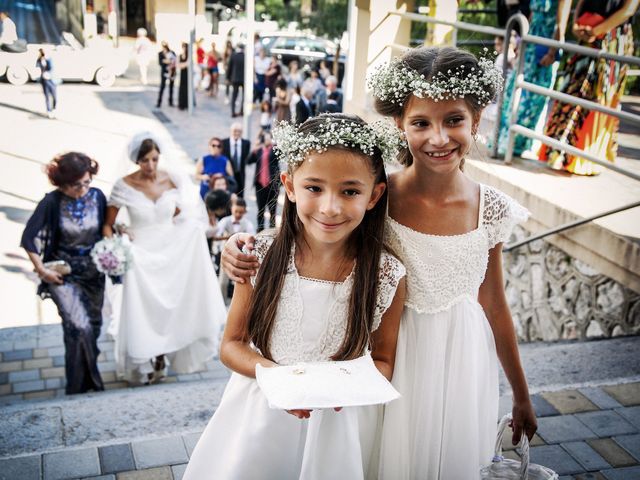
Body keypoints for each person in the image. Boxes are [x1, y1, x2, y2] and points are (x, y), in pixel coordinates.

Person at [222, 47, 538, 479]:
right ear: (399, 124)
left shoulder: (491, 208)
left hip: (461, 358)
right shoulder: (373, 194)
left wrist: (521, 394)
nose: (439, 138)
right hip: (387, 357)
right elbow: (311, 228)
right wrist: (239, 248)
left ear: (476, 121)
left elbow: (495, 302)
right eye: (421, 123)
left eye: (454, 121)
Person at [182, 113, 406, 480]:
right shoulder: (260, 254)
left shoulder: (386, 274)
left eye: (350, 191)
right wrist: (284, 382)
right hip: (259, 412)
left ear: (374, 195)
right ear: (289, 185)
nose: (330, 207)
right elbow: (231, 345)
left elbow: (383, 360)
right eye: (314, 188)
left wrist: (337, 389)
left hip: (334, 426)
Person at [103, 132, 225, 384]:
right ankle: (149, 357)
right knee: (147, 311)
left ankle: (163, 355)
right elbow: (108, 225)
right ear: (136, 160)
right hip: (141, 256)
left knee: (173, 308)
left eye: (155, 159)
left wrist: (191, 228)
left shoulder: (171, 179)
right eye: (145, 160)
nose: (151, 166)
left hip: (171, 252)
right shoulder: (123, 185)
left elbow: (180, 213)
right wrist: (117, 243)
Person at [21, 152, 106, 394]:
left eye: (87, 182)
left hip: (93, 273)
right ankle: (83, 386)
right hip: (63, 274)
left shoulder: (98, 197)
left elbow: (105, 229)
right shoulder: (52, 202)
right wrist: (42, 271)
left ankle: (83, 381)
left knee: (93, 328)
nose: (82, 189)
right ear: (62, 183)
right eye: (75, 185)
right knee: (79, 327)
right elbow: (28, 239)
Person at [538, 0, 639, 175]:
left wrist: (596, 31)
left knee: (601, 97)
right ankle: (559, 154)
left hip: (613, 40)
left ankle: (585, 159)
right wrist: (577, 25)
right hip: (587, 37)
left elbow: (628, 9)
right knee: (573, 90)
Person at [495, 0, 572, 157]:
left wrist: (553, 50)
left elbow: (561, 23)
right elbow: (530, 17)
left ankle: (520, 144)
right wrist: (520, 42)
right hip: (529, 43)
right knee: (513, 91)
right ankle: (504, 140)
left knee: (533, 98)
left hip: (545, 45)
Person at [215, 198, 255, 301]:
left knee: (241, 282)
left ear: (245, 211)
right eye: (236, 211)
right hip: (227, 254)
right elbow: (216, 236)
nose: (238, 214)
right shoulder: (225, 221)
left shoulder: (248, 224)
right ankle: (221, 303)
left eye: (241, 212)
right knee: (223, 282)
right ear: (231, 209)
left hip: (242, 257)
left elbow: (252, 239)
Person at [246, 132, 280, 231]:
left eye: (269, 138)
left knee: (273, 209)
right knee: (260, 209)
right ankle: (260, 230)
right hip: (260, 184)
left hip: (272, 184)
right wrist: (254, 149)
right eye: (265, 138)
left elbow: (281, 155)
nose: (267, 140)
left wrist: (277, 144)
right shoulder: (259, 151)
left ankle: (272, 230)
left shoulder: (275, 150)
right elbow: (248, 161)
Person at [222, 123, 251, 197]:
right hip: (227, 175)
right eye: (235, 131)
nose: (237, 133)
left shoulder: (246, 143)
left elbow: (246, 158)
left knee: (240, 196)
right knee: (227, 196)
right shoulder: (224, 142)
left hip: (240, 175)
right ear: (231, 131)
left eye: (239, 131)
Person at [36, 48, 57, 119]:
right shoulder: (39, 60)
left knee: (54, 96)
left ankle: (54, 108)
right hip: (44, 81)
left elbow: (51, 68)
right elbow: (37, 68)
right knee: (47, 97)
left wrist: (46, 60)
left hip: (51, 80)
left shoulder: (48, 59)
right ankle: (49, 111)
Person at [227, 43, 245, 117]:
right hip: (244, 79)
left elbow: (229, 67)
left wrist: (228, 77)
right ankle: (241, 111)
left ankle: (233, 112)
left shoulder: (233, 55)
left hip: (235, 79)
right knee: (244, 96)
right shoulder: (245, 56)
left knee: (234, 96)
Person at [156, 42, 176, 108]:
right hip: (164, 72)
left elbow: (175, 61)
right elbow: (160, 63)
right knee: (162, 87)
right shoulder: (160, 53)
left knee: (171, 88)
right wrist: (168, 61)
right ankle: (159, 102)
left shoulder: (172, 52)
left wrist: (166, 61)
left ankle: (170, 102)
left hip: (172, 72)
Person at [177, 42, 190, 111]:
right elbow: (178, 65)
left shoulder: (189, 56)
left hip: (188, 75)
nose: (184, 48)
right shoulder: (180, 55)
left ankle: (187, 104)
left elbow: (188, 64)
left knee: (187, 89)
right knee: (182, 88)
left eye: (185, 47)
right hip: (182, 74)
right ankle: (181, 104)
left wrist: (183, 64)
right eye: (183, 47)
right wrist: (184, 64)